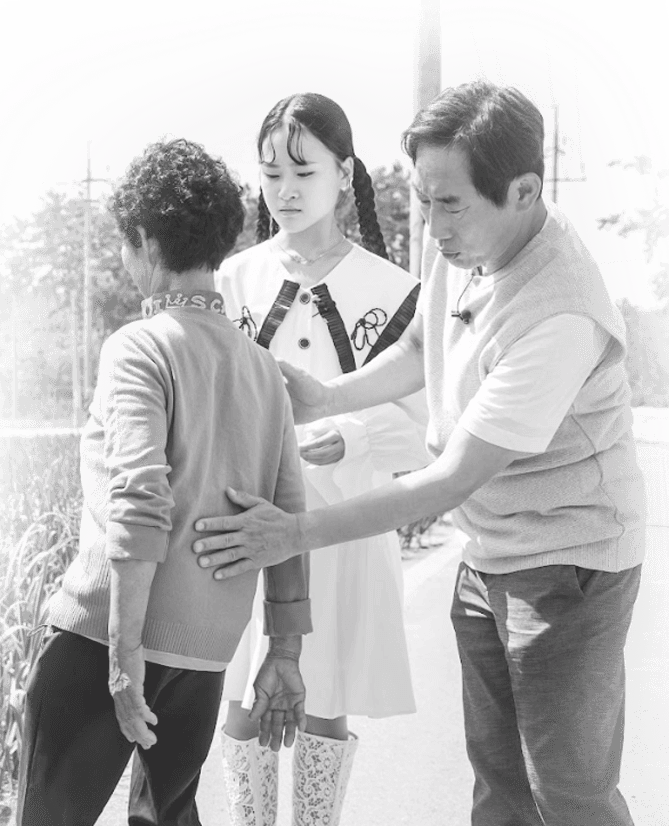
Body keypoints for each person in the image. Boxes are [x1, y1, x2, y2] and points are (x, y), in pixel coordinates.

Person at [192, 80, 647, 826]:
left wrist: (291, 532)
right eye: (423, 200)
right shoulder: (474, 238)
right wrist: (326, 396)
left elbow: (447, 479)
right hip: (490, 551)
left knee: (565, 790)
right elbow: (418, 345)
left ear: (523, 191)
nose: (431, 227)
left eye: (449, 205)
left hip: (565, 563)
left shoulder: (558, 314)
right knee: (498, 784)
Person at [15, 137, 312, 826]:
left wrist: (124, 660)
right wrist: (285, 649)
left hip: (105, 637)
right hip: (205, 650)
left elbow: (140, 501)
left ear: (147, 243)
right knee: (166, 818)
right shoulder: (262, 369)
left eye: (125, 245)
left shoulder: (139, 346)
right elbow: (288, 519)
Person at [214, 92, 429, 826]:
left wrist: (356, 438)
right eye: (271, 173)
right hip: (245, 520)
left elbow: (427, 428)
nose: (285, 190)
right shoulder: (230, 281)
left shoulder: (395, 291)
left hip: (346, 524)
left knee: (325, 703)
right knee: (240, 700)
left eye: (303, 172)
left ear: (344, 173)